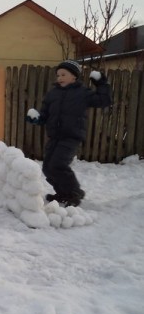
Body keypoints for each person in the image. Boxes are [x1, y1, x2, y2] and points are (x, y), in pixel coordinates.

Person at [26, 60, 112, 206]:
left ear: (74, 76)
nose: (59, 78)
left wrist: (102, 84)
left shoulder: (82, 93)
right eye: (58, 75)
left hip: (71, 136)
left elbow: (104, 100)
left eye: (63, 74)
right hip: (55, 136)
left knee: (59, 165)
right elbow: (45, 115)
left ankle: (73, 193)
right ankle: (63, 193)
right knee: (48, 167)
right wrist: (37, 119)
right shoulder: (52, 94)